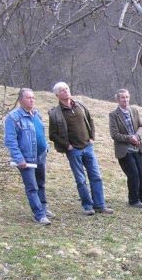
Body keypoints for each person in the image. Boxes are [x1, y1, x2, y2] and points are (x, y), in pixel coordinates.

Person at [48, 82, 113, 216]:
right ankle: (87, 206)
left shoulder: (80, 106)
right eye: (62, 90)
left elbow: (90, 120)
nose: (66, 91)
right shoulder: (55, 113)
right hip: (74, 151)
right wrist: (67, 146)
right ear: (57, 95)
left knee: (96, 177)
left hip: (88, 147)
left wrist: (92, 138)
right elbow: (53, 135)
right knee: (81, 180)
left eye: (66, 88)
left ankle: (100, 205)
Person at [4, 88, 52, 225]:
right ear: (20, 100)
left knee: (41, 183)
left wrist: (46, 147)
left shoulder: (36, 114)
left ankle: (44, 208)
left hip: (40, 155)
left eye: (33, 97)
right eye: (28, 98)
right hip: (26, 159)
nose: (32, 100)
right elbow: (10, 141)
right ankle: (39, 214)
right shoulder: (13, 117)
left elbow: (41, 132)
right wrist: (19, 158)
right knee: (32, 187)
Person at [109, 89, 142, 208]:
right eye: (122, 97)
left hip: (137, 148)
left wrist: (137, 136)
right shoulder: (113, 115)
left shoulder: (134, 110)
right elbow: (114, 134)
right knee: (133, 174)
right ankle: (133, 200)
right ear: (117, 99)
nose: (125, 100)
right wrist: (129, 138)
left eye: (127, 97)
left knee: (140, 173)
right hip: (124, 150)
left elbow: (141, 126)